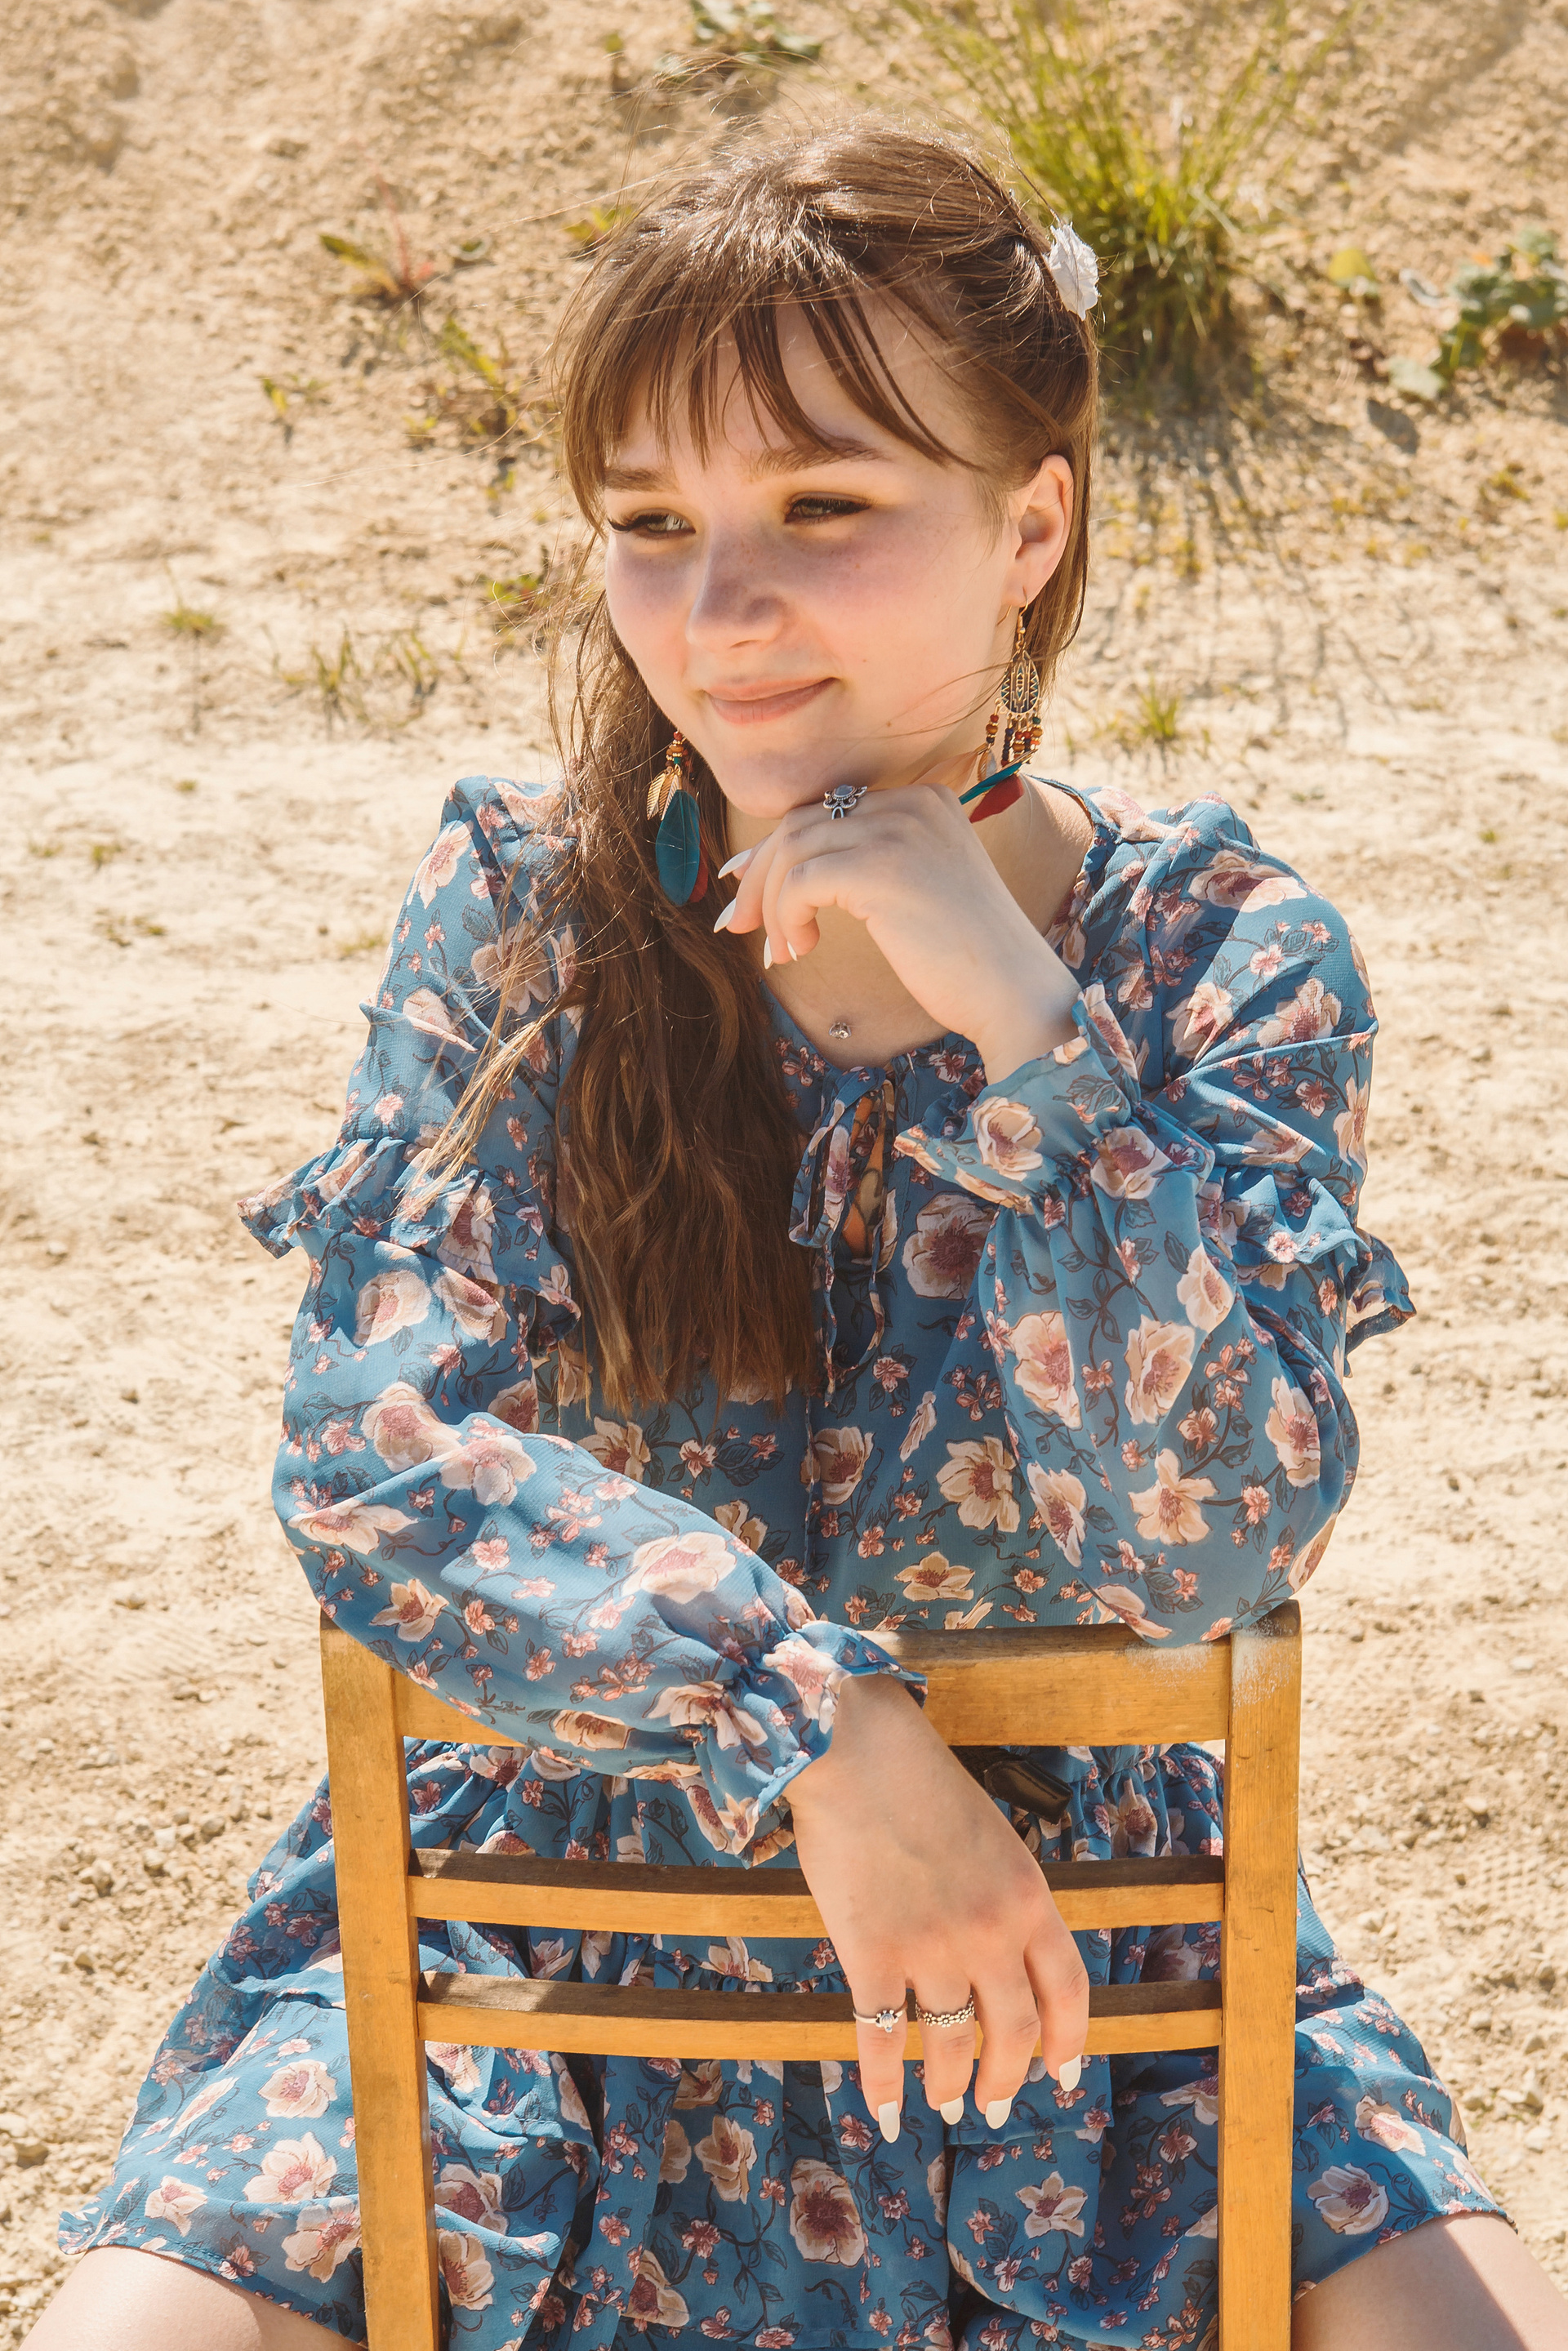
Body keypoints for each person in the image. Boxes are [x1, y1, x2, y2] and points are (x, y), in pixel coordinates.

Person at [32, 122, 1566, 2351]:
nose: (719, 610)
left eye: (826, 506)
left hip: (1087, 1944)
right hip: (535, 1939)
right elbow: (378, 1458)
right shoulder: (528, 915)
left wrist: (1032, 1036)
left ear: (1030, 525)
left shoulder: (1215, 959)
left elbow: (1207, 1542)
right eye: (653, 525)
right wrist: (819, 1727)